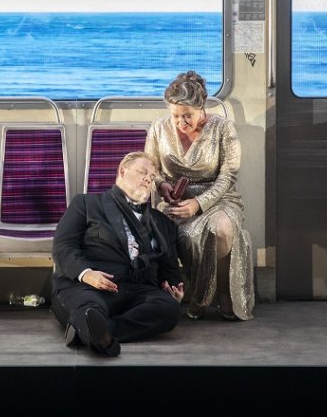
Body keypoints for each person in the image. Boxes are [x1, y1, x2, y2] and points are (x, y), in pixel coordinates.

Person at [51, 151, 185, 357]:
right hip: (90, 285)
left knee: (168, 309)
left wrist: (173, 288)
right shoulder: (86, 204)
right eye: (143, 172)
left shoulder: (162, 222)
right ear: (122, 171)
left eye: (151, 178)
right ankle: (95, 328)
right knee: (87, 306)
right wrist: (87, 273)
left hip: (138, 291)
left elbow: (169, 268)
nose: (147, 180)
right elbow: (63, 247)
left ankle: (96, 332)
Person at [146, 70, 255, 320]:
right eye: (175, 116)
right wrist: (163, 187)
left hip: (219, 199)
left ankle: (210, 296)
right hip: (175, 202)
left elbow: (228, 177)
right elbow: (151, 170)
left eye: (188, 116)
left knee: (223, 230)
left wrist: (198, 203)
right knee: (171, 231)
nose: (181, 122)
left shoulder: (223, 128)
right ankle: (201, 294)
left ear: (201, 107)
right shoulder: (158, 128)